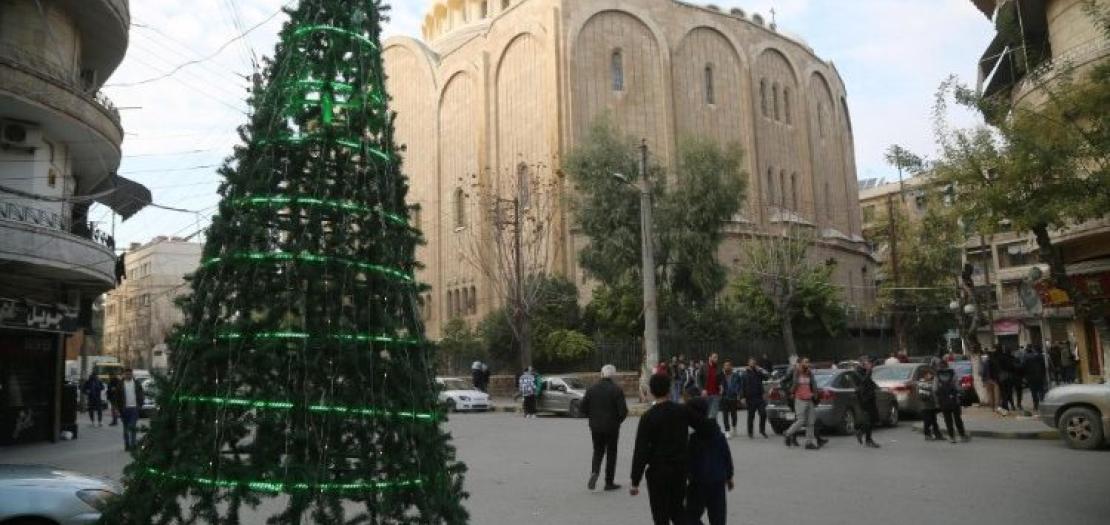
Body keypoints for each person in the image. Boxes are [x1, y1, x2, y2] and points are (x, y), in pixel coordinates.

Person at [630, 374, 693, 525]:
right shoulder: (682, 411)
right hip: (680, 469)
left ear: (651, 391)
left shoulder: (648, 417)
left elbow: (641, 450)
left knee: (660, 515)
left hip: (658, 472)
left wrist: (635, 481)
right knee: (678, 511)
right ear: (669, 389)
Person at [684, 397, 733, 525]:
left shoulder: (692, 436)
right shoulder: (716, 431)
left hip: (698, 482)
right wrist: (729, 476)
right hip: (717, 480)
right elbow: (726, 454)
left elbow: (687, 460)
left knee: (689, 516)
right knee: (718, 518)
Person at [581, 365, 629, 492]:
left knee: (597, 450)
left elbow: (583, 408)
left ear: (601, 374)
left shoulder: (591, 389)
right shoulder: (617, 389)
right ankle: (609, 482)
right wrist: (617, 421)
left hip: (595, 426)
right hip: (612, 426)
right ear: (613, 375)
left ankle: (595, 471)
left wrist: (592, 418)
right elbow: (623, 411)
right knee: (611, 453)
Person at [780, 358, 820, 449]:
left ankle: (808, 443)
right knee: (801, 420)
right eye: (806, 362)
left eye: (808, 362)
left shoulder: (809, 373)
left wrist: (815, 393)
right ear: (801, 363)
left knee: (811, 422)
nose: (808, 363)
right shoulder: (797, 372)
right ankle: (787, 433)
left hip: (809, 399)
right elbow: (794, 383)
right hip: (800, 399)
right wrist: (790, 392)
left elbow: (813, 384)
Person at [110, 368, 144, 451]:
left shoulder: (136, 383)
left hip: (134, 409)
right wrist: (117, 409)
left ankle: (133, 445)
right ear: (124, 374)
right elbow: (117, 397)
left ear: (132, 374)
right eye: (126, 374)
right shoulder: (120, 384)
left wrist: (139, 405)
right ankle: (127, 445)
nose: (128, 375)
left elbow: (141, 394)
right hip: (124, 409)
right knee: (125, 428)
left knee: (132, 427)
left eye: (129, 374)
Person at [935, 363, 970, 443]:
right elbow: (957, 387)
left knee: (948, 420)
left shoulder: (937, 376)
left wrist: (938, 399)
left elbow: (934, 389)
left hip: (943, 401)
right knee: (957, 419)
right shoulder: (953, 374)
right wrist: (962, 392)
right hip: (954, 400)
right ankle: (962, 436)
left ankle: (951, 437)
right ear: (947, 366)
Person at [855, 358, 882, 448]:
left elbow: (869, 382)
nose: (869, 364)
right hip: (864, 399)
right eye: (867, 363)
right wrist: (869, 371)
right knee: (868, 419)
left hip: (870, 397)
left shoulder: (865, 371)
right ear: (862, 364)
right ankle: (868, 440)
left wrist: (876, 386)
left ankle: (861, 432)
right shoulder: (858, 372)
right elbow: (863, 381)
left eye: (869, 363)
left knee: (874, 418)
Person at [739, 358, 769, 439]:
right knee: (751, 416)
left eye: (754, 363)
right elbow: (742, 386)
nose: (753, 364)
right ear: (748, 364)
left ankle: (762, 430)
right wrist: (742, 397)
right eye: (751, 363)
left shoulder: (758, 373)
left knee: (763, 414)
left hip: (759, 397)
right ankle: (750, 432)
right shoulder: (744, 374)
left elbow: (767, 377)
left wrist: (760, 370)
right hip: (750, 398)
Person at [917, 369, 944, 441]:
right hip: (925, 406)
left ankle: (937, 434)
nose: (930, 376)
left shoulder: (932, 383)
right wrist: (930, 394)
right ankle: (927, 435)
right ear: (924, 375)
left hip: (932, 406)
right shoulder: (921, 383)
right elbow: (922, 395)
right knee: (927, 421)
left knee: (934, 421)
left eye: (931, 374)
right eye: (929, 374)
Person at [698, 353, 724, 421]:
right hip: (706, 394)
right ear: (710, 358)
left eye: (717, 357)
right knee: (705, 413)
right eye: (714, 357)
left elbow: (721, 379)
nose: (716, 359)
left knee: (713, 414)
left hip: (716, 394)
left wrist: (721, 385)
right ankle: (707, 429)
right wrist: (702, 390)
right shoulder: (703, 367)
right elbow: (698, 379)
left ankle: (713, 429)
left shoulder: (719, 367)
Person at [719, 360, 741, 438]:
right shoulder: (721, 376)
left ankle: (734, 428)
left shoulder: (736, 375)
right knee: (725, 415)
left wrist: (738, 393)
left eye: (728, 365)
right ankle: (727, 431)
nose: (727, 367)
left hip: (733, 397)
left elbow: (739, 385)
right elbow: (717, 384)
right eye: (725, 365)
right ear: (723, 367)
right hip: (724, 397)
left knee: (733, 415)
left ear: (731, 367)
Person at [1024, 345, 1048, 410]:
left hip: (1031, 377)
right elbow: (1043, 367)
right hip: (1039, 376)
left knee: (1033, 392)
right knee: (1041, 390)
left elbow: (1024, 367)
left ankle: (1035, 405)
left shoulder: (1026, 357)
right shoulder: (1040, 356)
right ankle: (1043, 404)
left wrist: (1025, 377)